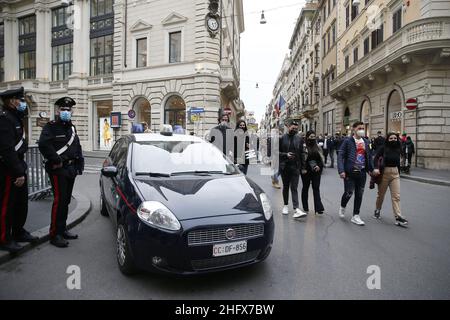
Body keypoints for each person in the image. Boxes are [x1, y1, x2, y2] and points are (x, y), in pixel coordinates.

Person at [38, 97, 84, 248]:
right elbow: (44, 145)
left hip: (70, 169)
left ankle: (62, 229)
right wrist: (56, 159)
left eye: (68, 110)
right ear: (57, 111)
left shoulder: (72, 128)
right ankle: (54, 234)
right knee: (59, 201)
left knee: (66, 201)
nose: (66, 112)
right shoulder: (50, 127)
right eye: (63, 109)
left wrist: (79, 163)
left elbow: (76, 145)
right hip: (58, 169)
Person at [0, 87, 38, 253]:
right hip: (8, 170)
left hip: (18, 166)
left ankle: (18, 231)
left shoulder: (15, 118)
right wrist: (17, 172)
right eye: (19, 100)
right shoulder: (4, 119)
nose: (22, 103)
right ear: (11, 101)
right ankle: (4, 238)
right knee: (6, 206)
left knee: (20, 203)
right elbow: (7, 149)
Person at [337, 121, 374, 226]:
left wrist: (371, 169)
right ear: (354, 129)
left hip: (362, 172)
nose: (362, 130)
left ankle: (356, 215)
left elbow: (369, 156)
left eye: (363, 128)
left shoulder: (366, 142)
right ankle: (343, 206)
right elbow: (340, 155)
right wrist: (341, 170)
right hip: (350, 172)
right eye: (359, 128)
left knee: (359, 194)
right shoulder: (348, 141)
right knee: (349, 192)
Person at [372, 132, 409, 226]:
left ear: (397, 139)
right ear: (387, 139)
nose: (393, 140)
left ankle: (398, 217)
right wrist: (376, 168)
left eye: (395, 138)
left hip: (395, 173)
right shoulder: (383, 148)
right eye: (391, 138)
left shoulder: (399, 148)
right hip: (384, 173)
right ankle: (377, 210)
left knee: (396, 196)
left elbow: (401, 159)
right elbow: (375, 158)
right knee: (381, 195)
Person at [279, 120, 307, 218]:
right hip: (284, 166)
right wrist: (286, 155)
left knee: (294, 188)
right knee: (286, 186)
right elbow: (275, 152)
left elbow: (302, 153)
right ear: (288, 127)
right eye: (293, 128)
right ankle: (285, 205)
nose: (295, 130)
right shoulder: (282, 138)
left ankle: (296, 209)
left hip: (295, 166)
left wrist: (303, 167)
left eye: (296, 128)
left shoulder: (299, 139)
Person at [301, 131, 325, 215]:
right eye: (311, 136)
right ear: (307, 137)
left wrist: (319, 166)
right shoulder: (303, 147)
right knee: (305, 188)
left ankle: (318, 208)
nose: (313, 138)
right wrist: (303, 168)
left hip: (316, 170)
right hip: (306, 171)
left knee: (316, 188)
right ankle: (305, 206)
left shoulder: (318, 147)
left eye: (314, 136)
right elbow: (301, 159)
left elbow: (321, 159)